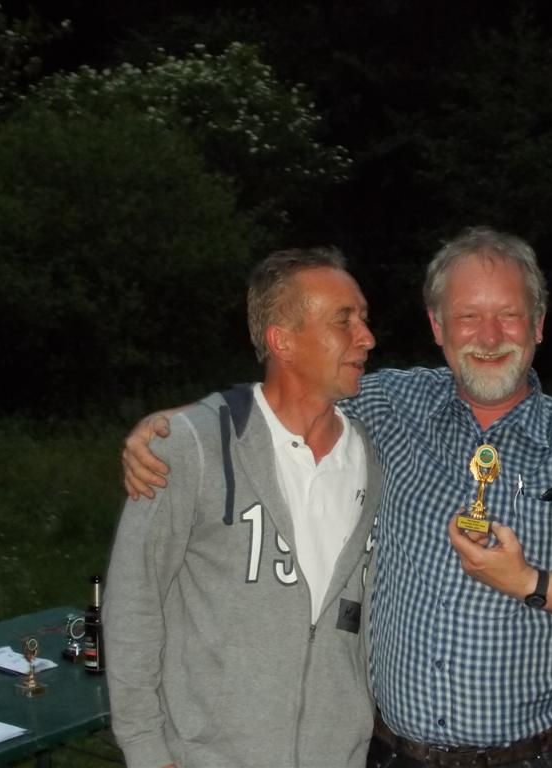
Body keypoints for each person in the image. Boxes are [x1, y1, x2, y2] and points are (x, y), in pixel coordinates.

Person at [123, 227, 552, 768]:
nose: (490, 337)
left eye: (509, 315)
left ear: (538, 324)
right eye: (468, 316)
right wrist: (178, 425)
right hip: (395, 755)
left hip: (542, 758)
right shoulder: (393, 406)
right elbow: (290, 392)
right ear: (438, 326)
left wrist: (529, 582)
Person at [103, 248, 381, 768]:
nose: (366, 337)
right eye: (344, 320)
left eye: (363, 318)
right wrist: (146, 750)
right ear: (282, 340)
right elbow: (133, 603)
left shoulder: (372, 455)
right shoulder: (191, 448)